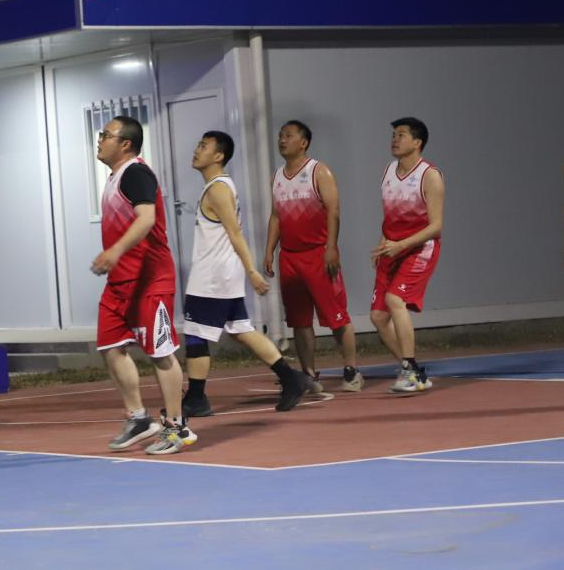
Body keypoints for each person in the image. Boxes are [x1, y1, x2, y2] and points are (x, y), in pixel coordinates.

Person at [183, 130, 312, 420]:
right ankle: (291, 378)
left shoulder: (218, 189)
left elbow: (235, 233)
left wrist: (252, 271)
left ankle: (196, 398)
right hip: (223, 274)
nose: (197, 150)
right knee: (241, 330)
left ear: (218, 156)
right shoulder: (219, 186)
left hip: (212, 277)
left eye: (203, 146)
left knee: (195, 334)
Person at [93, 115, 194, 455]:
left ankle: (177, 428)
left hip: (150, 280)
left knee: (160, 354)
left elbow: (147, 218)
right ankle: (139, 419)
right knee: (110, 347)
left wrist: (115, 250)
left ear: (125, 144)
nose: (99, 139)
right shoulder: (114, 177)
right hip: (119, 282)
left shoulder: (136, 173)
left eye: (106, 135)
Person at [263, 120, 363, 393]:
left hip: (318, 255)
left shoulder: (319, 172)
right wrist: (269, 250)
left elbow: (334, 211)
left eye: (288, 135)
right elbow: (275, 217)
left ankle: (352, 370)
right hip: (290, 258)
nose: (282, 140)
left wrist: (331, 247)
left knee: (336, 317)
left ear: (303, 142)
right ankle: (309, 375)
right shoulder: (277, 177)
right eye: (280, 135)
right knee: (299, 321)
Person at [370, 117, 444, 395]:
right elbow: (390, 216)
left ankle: (410, 369)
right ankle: (411, 369)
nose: (394, 139)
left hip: (419, 249)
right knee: (378, 317)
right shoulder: (387, 171)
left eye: (401, 135)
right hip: (392, 248)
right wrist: (383, 243)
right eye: (393, 134)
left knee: (394, 300)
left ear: (417, 142)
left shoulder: (430, 176)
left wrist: (400, 246)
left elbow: (436, 226)